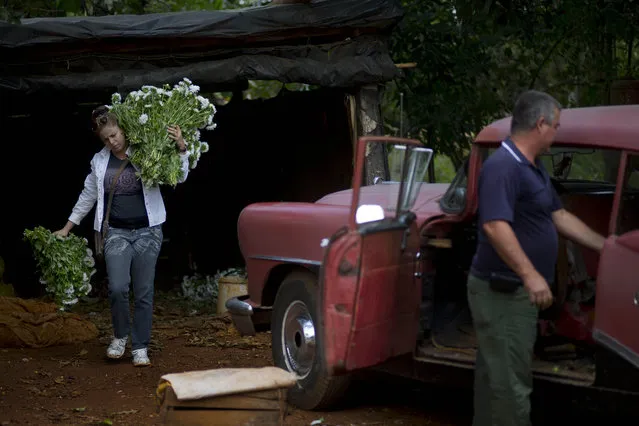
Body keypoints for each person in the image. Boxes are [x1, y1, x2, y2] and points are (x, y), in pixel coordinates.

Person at [467, 90, 606, 426]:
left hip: (514, 292)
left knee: (496, 381)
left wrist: (608, 247)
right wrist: (530, 275)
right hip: (503, 292)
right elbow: (495, 226)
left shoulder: (532, 167)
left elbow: (558, 216)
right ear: (540, 124)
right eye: (556, 126)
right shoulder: (503, 167)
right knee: (510, 386)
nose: (557, 133)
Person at [54, 106, 190, 367]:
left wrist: (181, 147)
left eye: (114, 135)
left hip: (148, 232)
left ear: (124, 130)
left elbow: (178, 176)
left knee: (143, 291)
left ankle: (140, 346)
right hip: (116, 232)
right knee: (117, 288)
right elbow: (88, 196)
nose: (112, 141)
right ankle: (119, 336)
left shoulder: (146, 150)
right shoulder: (99, 161)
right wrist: (67, 227)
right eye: (106, 138)